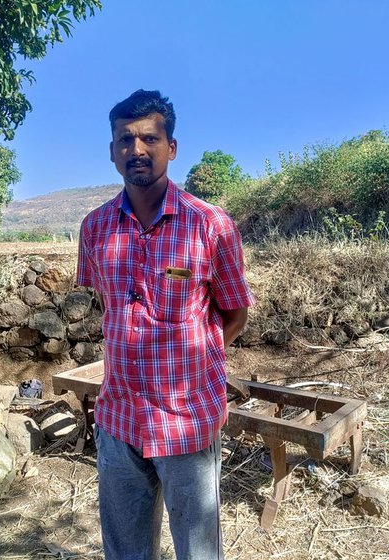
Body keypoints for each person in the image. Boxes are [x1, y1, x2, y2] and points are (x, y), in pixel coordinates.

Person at [76, 89, 254, 560]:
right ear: (112, 152)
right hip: (118, 419)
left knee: (197, 551)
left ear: (171, 147)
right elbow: (108, 303)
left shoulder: (210, 225)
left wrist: (195, 353)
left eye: (150, 138)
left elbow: (234, 313)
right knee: (126, 551)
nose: (137, 149)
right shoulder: (94, 228)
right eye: (125, 140)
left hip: (187, 420)